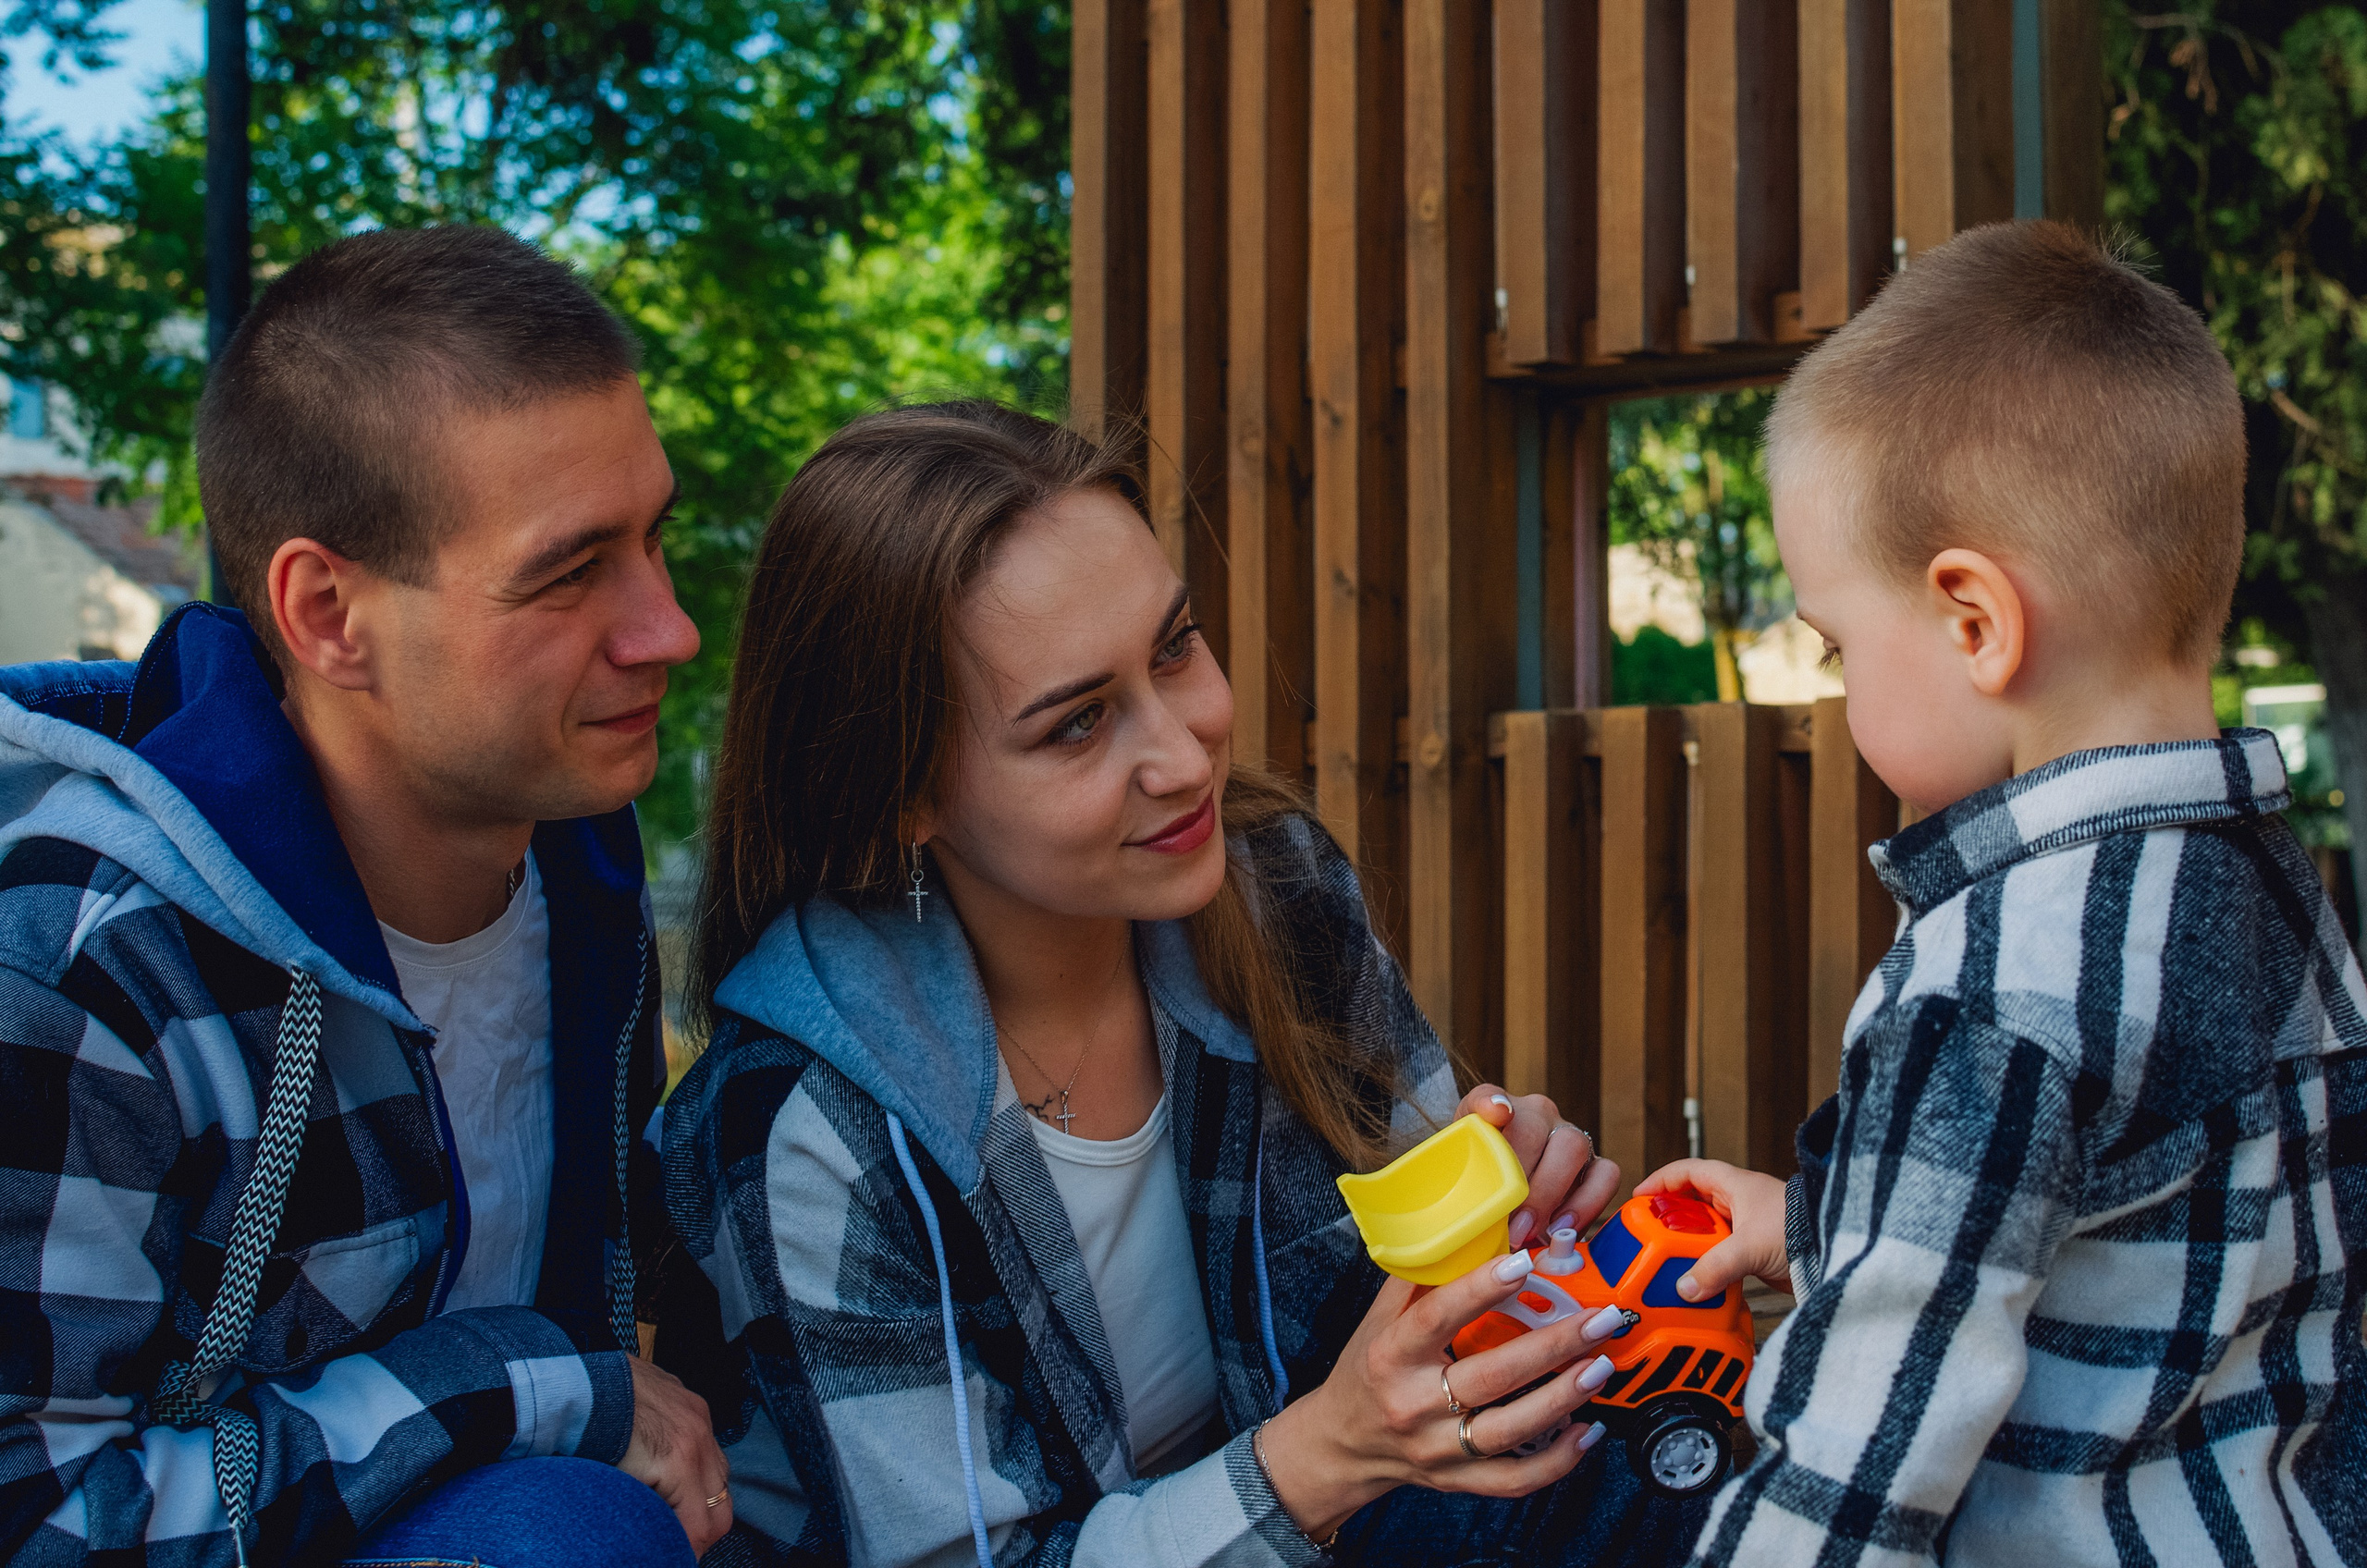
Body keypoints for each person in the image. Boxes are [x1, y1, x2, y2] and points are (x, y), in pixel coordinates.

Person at [654, 399, 1709, 1568]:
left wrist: (1508, 1233)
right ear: (903, 795)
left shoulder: (1273, 883)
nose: (1186, 748)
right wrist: (1331, 1455)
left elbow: (1418, 1306)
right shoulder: (808, 1122)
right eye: (1077, 724)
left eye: (1175, 647)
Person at [0, 227, 730, 1566]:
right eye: (571, 573)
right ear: (329, 614)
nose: (666, 629)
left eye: (653, 541)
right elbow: (35, 1516)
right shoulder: (78, 964)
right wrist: (526, 1389)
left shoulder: (582, 867)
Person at [1641, 221, 2364, 1565]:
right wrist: (1816, 1226)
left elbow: (1865, 1447)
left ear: (1976, 622)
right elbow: (2150, 1230)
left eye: (1839, 641)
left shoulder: (1992, 983)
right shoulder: (2279, 896)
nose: (1836, 682)